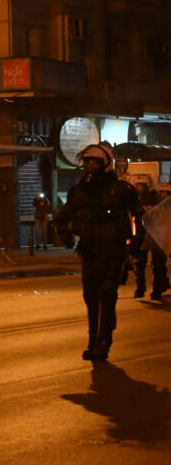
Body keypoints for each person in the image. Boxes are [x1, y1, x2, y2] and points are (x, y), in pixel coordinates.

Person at [54, 144, 141, 362]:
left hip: (113, 249)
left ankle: (104, 341)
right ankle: (92, 340)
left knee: (107, 291)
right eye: (87, 162)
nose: (90, 166)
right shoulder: (78, 191)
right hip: (89, 250)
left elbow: (139, 218)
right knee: (90, 295)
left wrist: (134, 248)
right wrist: (64, 234)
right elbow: (62, 217)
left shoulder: (121, 190)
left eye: (94, 162)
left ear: (104, 165)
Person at [128, 174, 168, 300]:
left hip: (156, 234)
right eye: (137, 185)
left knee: (158, 264)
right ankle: (140, 288)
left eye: (142, 185)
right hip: (140, 234)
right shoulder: (135, 200)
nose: (139, 188)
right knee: (138, 262)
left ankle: (156, 290)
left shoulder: (157, 199)